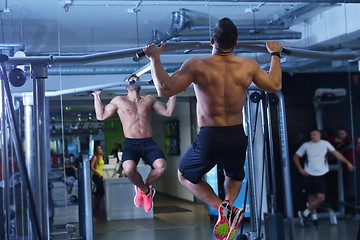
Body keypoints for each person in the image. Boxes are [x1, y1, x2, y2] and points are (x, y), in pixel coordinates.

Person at [144, 17, 282, 240]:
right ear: (236, 43)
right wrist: (275, 55)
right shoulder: (248, 65)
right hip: (237, 134)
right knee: (234, 175)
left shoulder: (197, 65)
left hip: (210, 136)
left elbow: (164, 90)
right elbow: (275, 85)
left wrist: (155, 58)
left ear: (211, 41)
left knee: (185, 175)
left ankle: (224, 208)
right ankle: (228, 206)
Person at [92, 74, 176, 212]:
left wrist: (173, 94)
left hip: (148, 143)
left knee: (161, 166)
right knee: (129, 169)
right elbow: (100, 116)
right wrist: (96, 96)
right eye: (130, 81)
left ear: (140, 85)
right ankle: (145, 190)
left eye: (136, 81)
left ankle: (144, 189)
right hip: (131, 144)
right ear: (126, 86)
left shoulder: (149, 100)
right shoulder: (119, 101)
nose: (133, 82)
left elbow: (168, 111)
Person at [294, 129, 354, 227]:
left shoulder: (325, 144)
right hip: (309, 174)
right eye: (311, 134)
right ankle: (314, 218)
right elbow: (296, 156)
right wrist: (300, 169)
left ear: (319, 135)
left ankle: (305, 213)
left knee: (321, 198)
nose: (312, 136)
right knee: (311, 198)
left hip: (321, 174)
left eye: (314, 134)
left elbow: (336, 153)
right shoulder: (306, 145)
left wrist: (347, 162)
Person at [90, 145, 105, 213]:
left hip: (101, 176)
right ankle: (96, 207)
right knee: (99, 191)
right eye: (98, 149)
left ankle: (98, 206)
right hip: (96, 176)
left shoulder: (101, 157)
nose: (99, 150)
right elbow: (92, 167)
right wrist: (98, 173)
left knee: (101, 191)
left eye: (100, 149)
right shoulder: (95, 157)